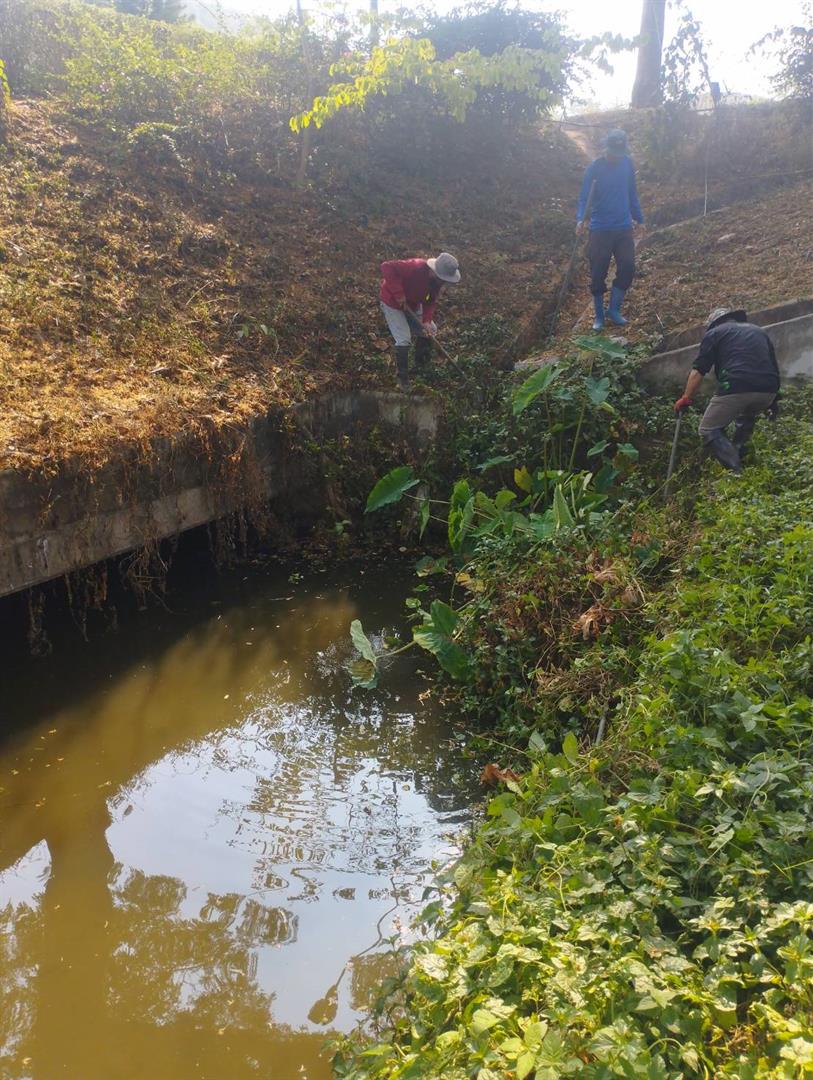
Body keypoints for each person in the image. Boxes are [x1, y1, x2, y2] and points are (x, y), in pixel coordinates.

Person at [674, 306, 780, 474]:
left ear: (714, 324)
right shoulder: (758, 331)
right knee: (745, 416)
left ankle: (736, 472)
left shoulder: (714, 333)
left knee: (708, 429)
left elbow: (699, 370)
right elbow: (774, 365)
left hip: (736, 386)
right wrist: (775, 398)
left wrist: (686, 397)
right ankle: (742, 457)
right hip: (768, 389)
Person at [576, 129, 644, 331]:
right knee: (598, 272)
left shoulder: (627, 164)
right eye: (613, 153)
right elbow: (584, 198)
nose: (616, 157)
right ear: (606, 149)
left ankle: (614, 309)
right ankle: (599, 316)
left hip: (623, 226)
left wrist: (639, 218)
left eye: (619, 154)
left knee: (628, 267)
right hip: (600, 228)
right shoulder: (594, 168)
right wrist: (580, 219)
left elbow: (632, 193)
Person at [379, 252, 461, 389]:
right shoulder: (415, 266)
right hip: (392, 302)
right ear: (434, 270)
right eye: (442, 278)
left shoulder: (436, 283)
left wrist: (427, 320)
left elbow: (430, 301)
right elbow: (386, 267)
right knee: (404, 339)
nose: (443, 282)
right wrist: (398, 294)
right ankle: (402, 378)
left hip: (413, 305)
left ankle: (421, 366)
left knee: (430, 330)